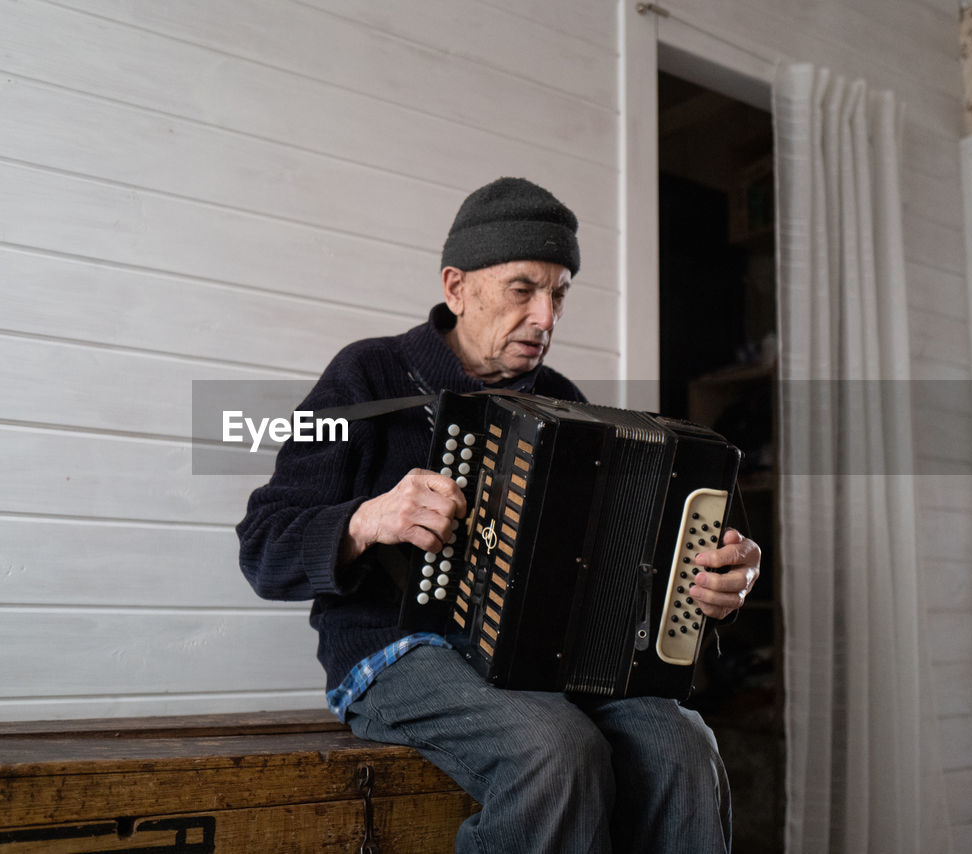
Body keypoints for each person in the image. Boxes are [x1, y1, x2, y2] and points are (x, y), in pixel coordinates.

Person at [236, 177, 761, 853]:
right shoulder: (365, 379)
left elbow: (631, 567)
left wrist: (717, 582)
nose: (546, 316)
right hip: (393, 653)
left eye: (559, 293)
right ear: (456, 287)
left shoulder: (567, 405)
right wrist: (366, 520)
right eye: (523, 289)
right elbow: (263, 544)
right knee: (553, 749)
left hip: (548, 666)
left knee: (684, 745)